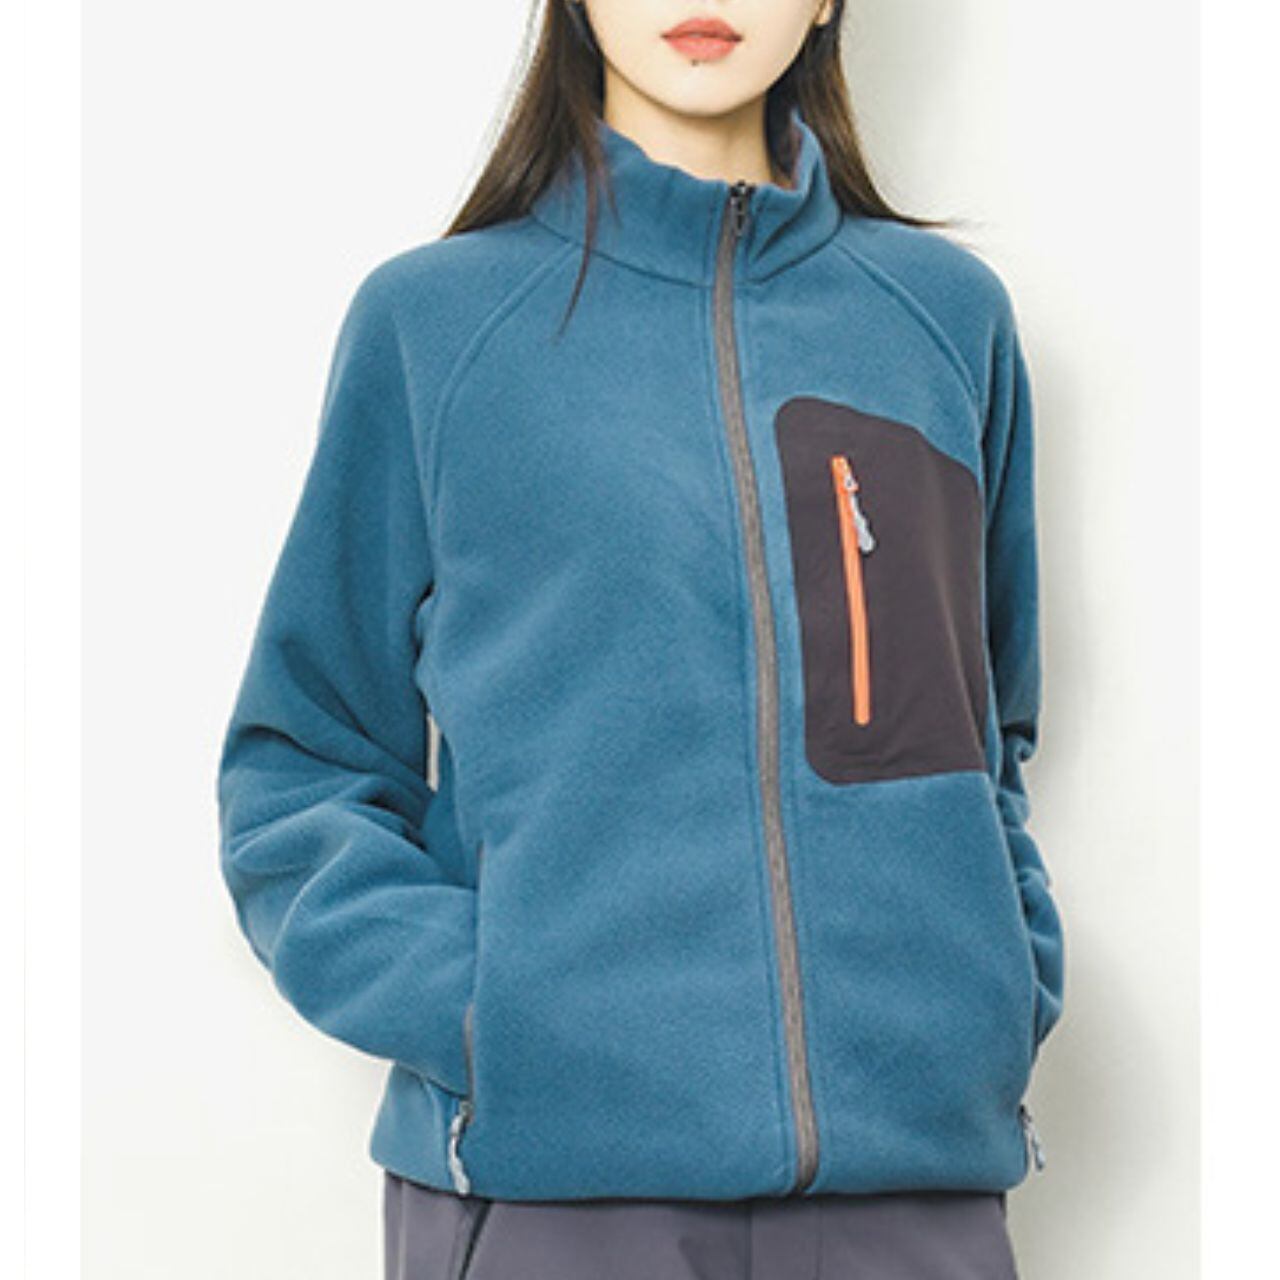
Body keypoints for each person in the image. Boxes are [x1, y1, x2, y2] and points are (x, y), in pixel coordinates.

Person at [215, 2, 1066, 1276]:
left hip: (912, 1181)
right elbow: (301, 760)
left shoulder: (941, 320)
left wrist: (991, 985)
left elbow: (979, 729)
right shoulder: (435, 324)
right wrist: (497, 1015)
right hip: (559, 1186)